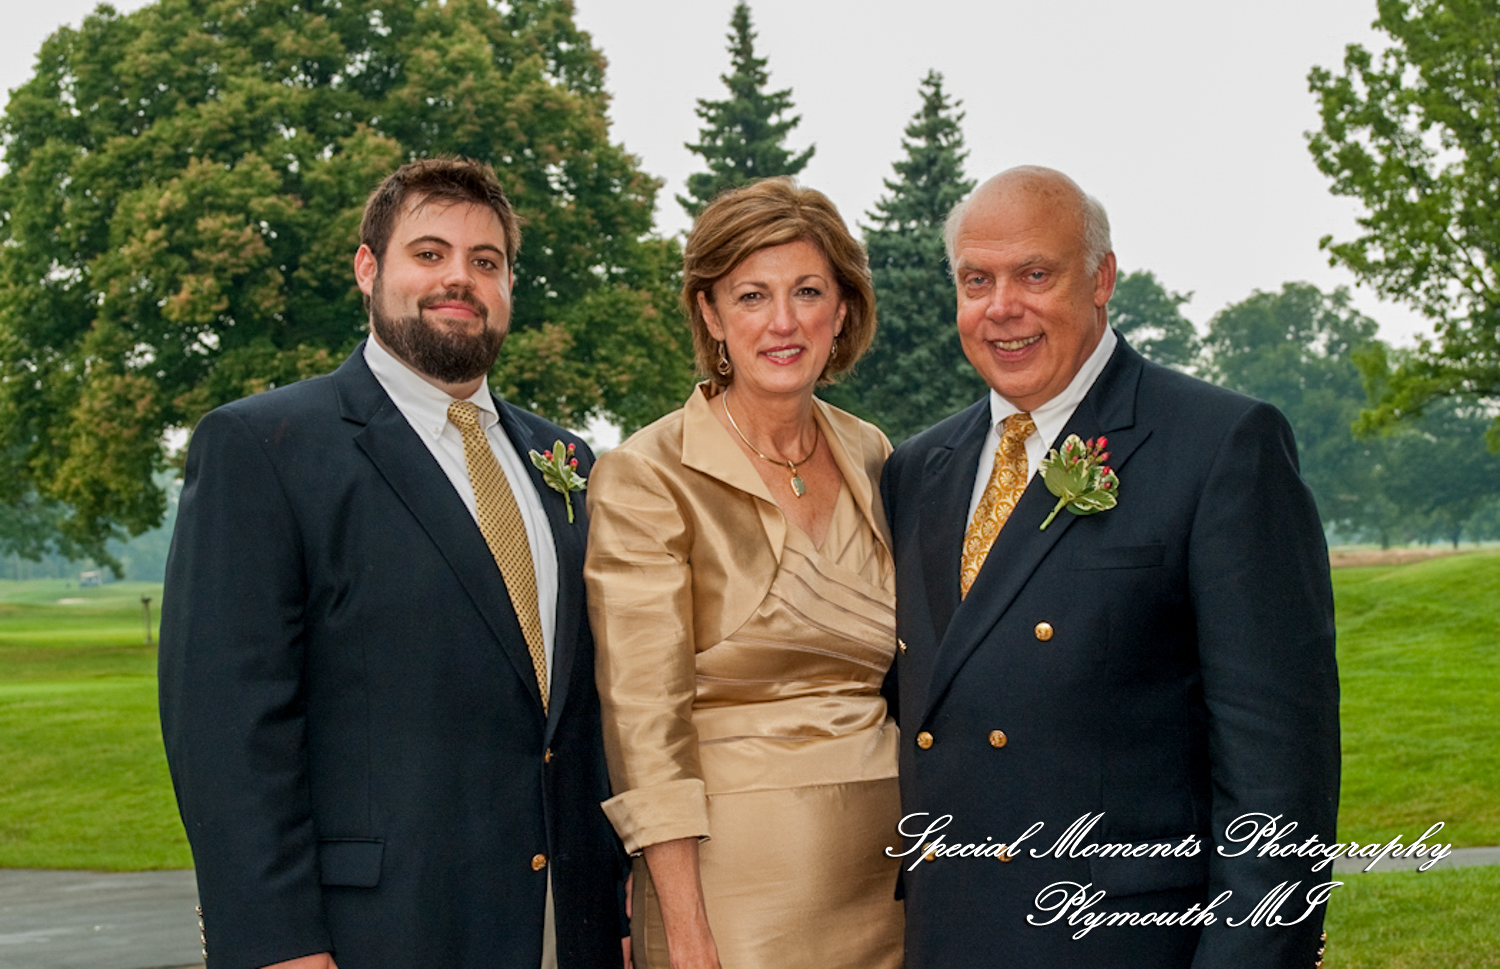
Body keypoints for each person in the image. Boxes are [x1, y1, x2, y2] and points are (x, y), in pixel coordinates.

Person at [159, 158, 626, 969]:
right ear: (368, 269)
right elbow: (226, 730)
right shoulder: (263, 448)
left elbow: (583, 712)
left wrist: (615, 898)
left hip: (563, 928)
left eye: (487, 262)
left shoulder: (567, 460)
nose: (461, 279)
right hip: (374, 934)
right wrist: (276, 946)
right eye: (430, 253)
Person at [881, 166, 1339, 968]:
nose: (1002, 308)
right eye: (976, 280)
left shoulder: (1219, 446)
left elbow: (1278, 774)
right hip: (949, 938)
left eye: (1035, 274)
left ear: (1101, 279)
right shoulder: (917, 470)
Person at [583, 178, 903, 968]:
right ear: (711, 315)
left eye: (807, 291)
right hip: (731, 894)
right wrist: (687, 931)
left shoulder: (877, 455)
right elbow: (643, 725)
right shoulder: (645, 473)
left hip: (896, 880)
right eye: (752, 296)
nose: (784, 322)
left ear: (843, 310)